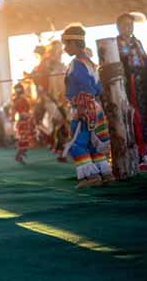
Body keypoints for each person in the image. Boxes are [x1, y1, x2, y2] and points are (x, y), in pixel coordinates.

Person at [61, 24, 114, 188]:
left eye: (66, 44)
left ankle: (91, 176)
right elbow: (98, 88)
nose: (64, 48)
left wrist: (82, 107)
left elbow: (86, 87)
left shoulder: (77, 64)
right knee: (93, 142)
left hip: (84, 109)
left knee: (77, 143)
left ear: (75, 44)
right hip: (94, 107)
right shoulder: (90, 62)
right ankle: (105, 173)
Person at [116, 12, 147, 170]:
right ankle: (138, 155)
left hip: (142, 83)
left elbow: (144, 60)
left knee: (144, 115)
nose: (129, 28)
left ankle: (144, 153)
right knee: (133, 117)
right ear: (119, 27)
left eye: (131, 25)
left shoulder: (138, 42)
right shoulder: (114, 44)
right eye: (125, 25)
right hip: (127, 86)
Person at [10, 83, 36, 164]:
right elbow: (20, 112)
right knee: (24, 140)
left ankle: (21, 154)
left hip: (25, 122)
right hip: (24, 122)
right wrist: (28, 115)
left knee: (26, 140)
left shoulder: (19, 99)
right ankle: (19, 156)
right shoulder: (20, 100)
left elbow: (15, 112)